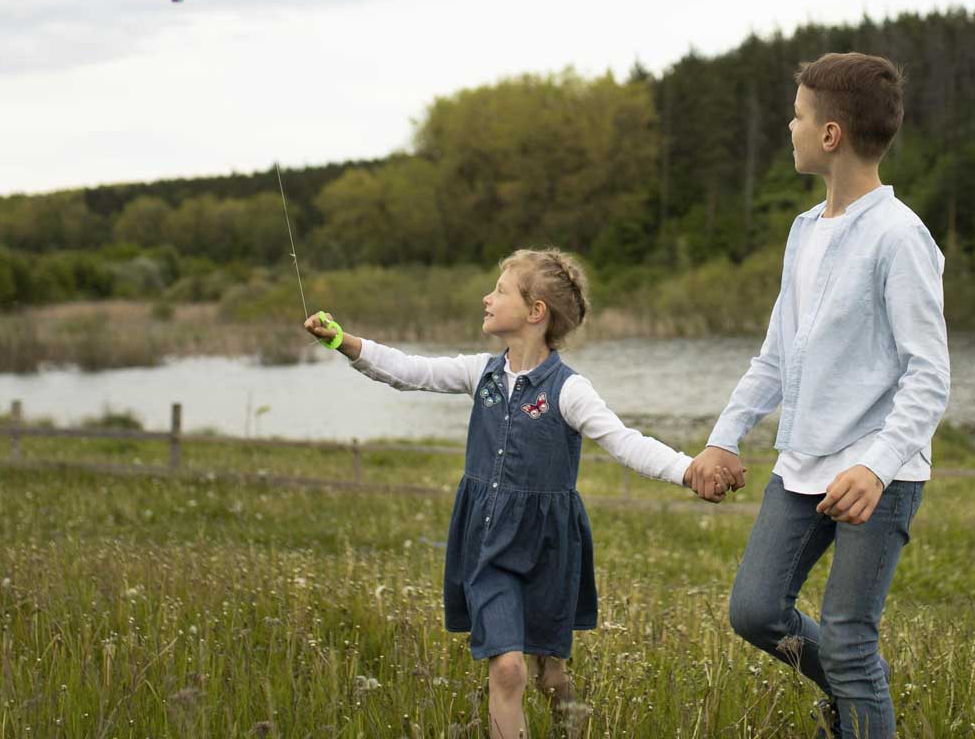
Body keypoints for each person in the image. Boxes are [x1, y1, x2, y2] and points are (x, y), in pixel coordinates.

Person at [304, 248, 724, 739]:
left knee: (550, 675)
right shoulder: (478, 373)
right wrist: (345, 342)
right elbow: (408, 370)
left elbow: (625, 442)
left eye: (500, 290)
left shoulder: (569, 390)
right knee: (508, 669)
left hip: (549, 546)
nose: (487, 297)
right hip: (487, 542)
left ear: (535, 311)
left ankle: (575, 730)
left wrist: (687, 469)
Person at [687, 52, 950, 739]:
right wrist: (724, 434)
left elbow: (929, 375)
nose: (790, 125)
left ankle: (860, 700)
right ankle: (860, 698)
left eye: (800, 114)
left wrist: (878, 464)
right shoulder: (804, 232)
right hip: (803, 466)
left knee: (850, 635)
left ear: (830, 135)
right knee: (754, 610)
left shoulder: (900, 238)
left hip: (876, 475)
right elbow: (777, 355)